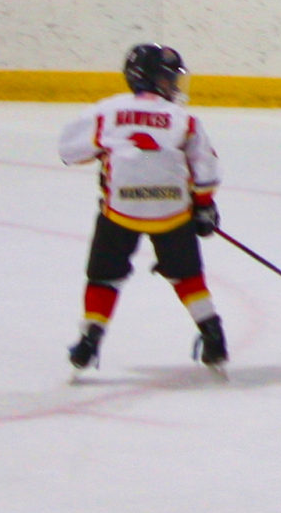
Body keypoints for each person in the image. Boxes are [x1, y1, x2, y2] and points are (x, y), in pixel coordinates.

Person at [58, 43, 227, 376]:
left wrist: (103, 149)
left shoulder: (106, 111)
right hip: (172, 210)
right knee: (187, 275)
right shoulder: (184, 119)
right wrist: (204, 207)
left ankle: (90, 338)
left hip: (121, 210)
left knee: (104, 276)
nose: (173, 85)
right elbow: (205, 168)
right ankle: (213, 334)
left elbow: (69, 151)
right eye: (167, 79)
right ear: (147, 78)